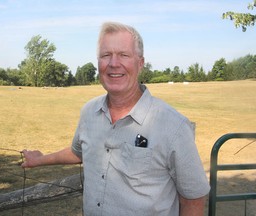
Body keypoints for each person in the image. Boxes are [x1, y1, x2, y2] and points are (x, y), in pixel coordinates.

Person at [22, 21, 210, 216]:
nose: (113, 63)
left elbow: (193, 199)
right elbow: (79, 152)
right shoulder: (89, 112)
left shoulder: (173, 125)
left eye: (123, 55)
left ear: (140, 63)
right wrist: (40, 159)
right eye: (106, 55)